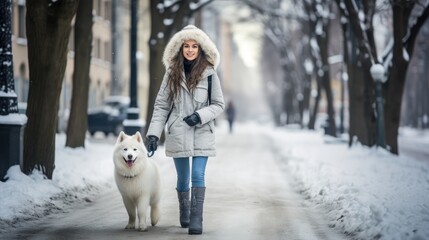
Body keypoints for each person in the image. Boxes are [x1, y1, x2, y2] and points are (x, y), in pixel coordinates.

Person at [145, 25, 225, 235]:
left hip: (202, 132)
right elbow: (162, 105)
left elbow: (218, 104)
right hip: (178, 131)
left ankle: (197, 220)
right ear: (180, 49)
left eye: (194, 46)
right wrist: (153, 133)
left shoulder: (209, 74)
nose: (190, 50)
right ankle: (185, 211)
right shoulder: (171, 73)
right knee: (183, 178)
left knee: (198, 175)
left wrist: (200, 116)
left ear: (201, 49)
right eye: (186, 46)